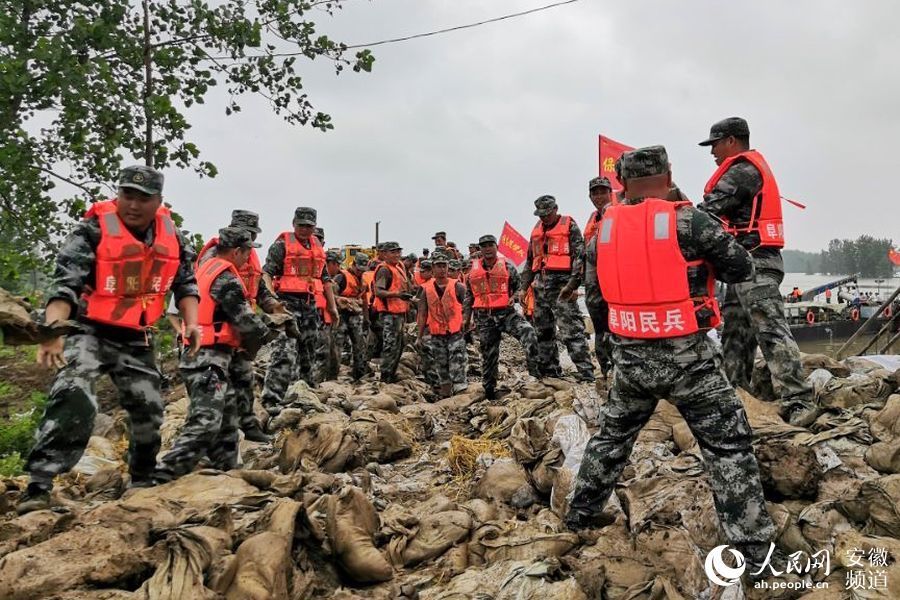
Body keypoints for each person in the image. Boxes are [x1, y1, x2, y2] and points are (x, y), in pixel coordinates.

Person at [566, 145, 775, 576]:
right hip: (689, 362)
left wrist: (611, 348)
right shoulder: (690, 220)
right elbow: (740, 269)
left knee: (610, 439)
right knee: (727, 446)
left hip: (631, 361)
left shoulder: (602, 229)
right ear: (669, 173)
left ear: (621, 183)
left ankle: (579, 515)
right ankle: (754, 551)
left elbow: (595, 297)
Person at [18, 165, 200, 514]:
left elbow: (185, 283)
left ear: (158, 201)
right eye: (126, 195)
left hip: (135, 335)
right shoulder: (93, 229)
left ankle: (143, 479)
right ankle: (39, 485)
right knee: (74, 392)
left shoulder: (171, 236)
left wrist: (192, 324)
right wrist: (52, 331)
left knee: (148, 407)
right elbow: (65, 284)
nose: (132, 205)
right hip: (87, 328)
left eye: (143, 198)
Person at [698, 117, 818, 426]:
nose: (712, 151)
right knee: (735, 334)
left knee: (770, 330)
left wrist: (675, 209)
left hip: (757, 263)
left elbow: (710, 209)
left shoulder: (743, 171)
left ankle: (798, 400)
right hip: (740, 266)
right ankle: (735, 391)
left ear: (732, 141)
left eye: (714, 144)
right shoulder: (743, 168)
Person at [154, 228, 275, 482]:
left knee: (227, 421)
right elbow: (245, 320)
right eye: (246, 253)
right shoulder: (226, 279)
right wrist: (273, 330)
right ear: (236, 251)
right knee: (206, 422)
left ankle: (225, 472)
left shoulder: (208, 267)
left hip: (213, 356)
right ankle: (164, 474)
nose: (247, 260)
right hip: (206, 359)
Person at [196, 209, 282, 442]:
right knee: (214, 389)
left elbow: (260, 288)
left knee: (244, 378)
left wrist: (274, 307)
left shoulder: (250, 255)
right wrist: (262, 330)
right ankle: (210, 438)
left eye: (253, 234)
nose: (251, 239)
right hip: (217, 329)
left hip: (241, 328)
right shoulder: (215, 256)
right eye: (247, 234)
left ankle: (249, 426)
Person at [260, 207, 339, 415]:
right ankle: (272, 400)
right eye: (301, 225)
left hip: (309, 304)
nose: (305, 229)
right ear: (294, 223)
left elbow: (325, 279)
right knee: (284, 352)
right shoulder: (281, 246)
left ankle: (305, 392)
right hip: (286, 303)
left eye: (309, 226)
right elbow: (266, 274)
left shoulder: (317, 247)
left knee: (308, 350)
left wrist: (332, 307)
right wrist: (273, 301)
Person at [521, 195, 595, 382]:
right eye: (541, 215)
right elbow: (530, 261)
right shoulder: (536, 230)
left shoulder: (569, 225)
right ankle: (551, 372)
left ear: (555, 209)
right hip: (540, 289)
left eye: (547, 213)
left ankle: (586, 374)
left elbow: (580, 256)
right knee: (543, 332)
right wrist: (523, 287)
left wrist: (572, 285)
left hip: (562, 288)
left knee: (571, 331)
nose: (544, 218)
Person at [464, 235, 540, 399]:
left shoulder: (507, 267)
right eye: (484, 246)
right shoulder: (472, 273)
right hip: (484, 319)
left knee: (528, 331)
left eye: (490, 245)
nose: (488, 249)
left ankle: (536, 375)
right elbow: (469, 297)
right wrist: (466, 319)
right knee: (489, 355)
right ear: (480, 249)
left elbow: (518, 287)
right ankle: (490, 391)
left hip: (506, 314)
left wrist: (516, 296)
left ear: (496, 247)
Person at [417, 253, 468, 397]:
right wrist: (419, 336)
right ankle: (445, 393)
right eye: (438, 266)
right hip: (436, 333)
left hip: (455, 332)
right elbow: (422, 314)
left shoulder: (458, 286)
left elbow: (468, 306)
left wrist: (467, 321)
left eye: (444, 266)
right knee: (441, 363)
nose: (442, 269)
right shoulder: (426, 289)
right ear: (433, 268)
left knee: (457, 359)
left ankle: (460, 390)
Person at [583, 176, 615, 377]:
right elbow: (583, 255)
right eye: (595, 193)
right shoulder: (592, 221)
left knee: (620, 327)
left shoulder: (620, 214)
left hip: (617, 283)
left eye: (603, 191)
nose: (599, 196)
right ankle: (606, 372)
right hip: (595, 287)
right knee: (601, 330)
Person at [373, 241, 413, 383]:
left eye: (398, 252)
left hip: (399, 313)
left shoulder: (398, 267)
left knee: (400, 345)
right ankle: (385, 377)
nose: (397, 255)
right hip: (389, 315)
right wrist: (397, 294)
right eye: (393, 252)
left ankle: (391, 374)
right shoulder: (384, 269)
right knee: (390, 346)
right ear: (385, 254)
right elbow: (378, 291)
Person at [331, 252, 370, 380]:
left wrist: (366, 318)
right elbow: (332, 296)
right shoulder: (341, 277)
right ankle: (332, 375)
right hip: (341, 316)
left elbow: (364, 301)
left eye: (362, 270)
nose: (360, 272)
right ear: (353, 265)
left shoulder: (363, 281)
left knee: (360, 345)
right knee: (337, 346)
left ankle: (359, 374)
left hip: (356, 317)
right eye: (358, 270)